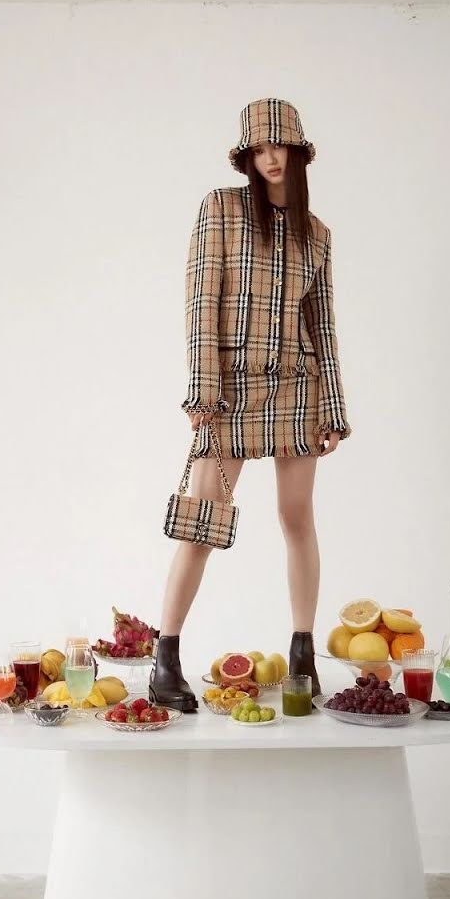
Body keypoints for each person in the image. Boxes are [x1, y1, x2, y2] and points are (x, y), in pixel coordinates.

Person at [150, 97, 352, 713]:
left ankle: (302, 654)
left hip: (296, 386)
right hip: (229, 391)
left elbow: (322, 325)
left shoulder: (317, 234)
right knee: (203, 522)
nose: (270, 158)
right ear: (246, 157)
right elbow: (200, 302)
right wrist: (202, 388)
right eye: (259, 149)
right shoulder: (221, 208)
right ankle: (165, 657)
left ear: (297, 151)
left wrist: (333, 407)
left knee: (297, 517)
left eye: (278, 145)